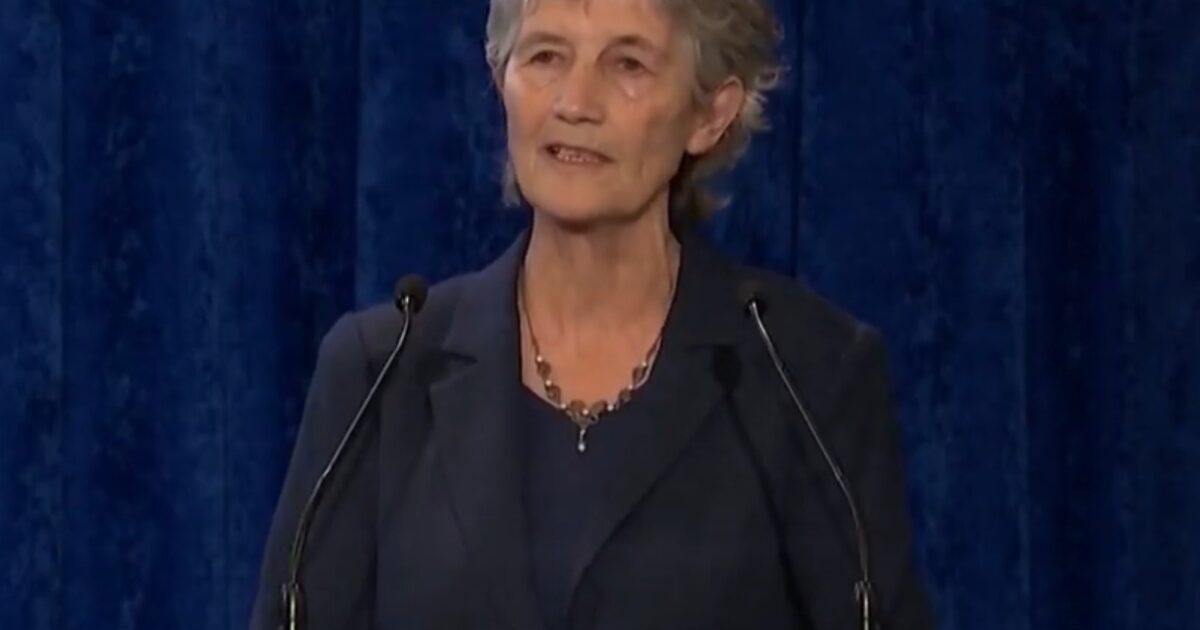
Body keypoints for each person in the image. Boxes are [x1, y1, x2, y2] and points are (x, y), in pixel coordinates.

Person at [250, 0, 934, 628]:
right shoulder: (380, 371)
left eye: (628, 64)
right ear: (501, 78)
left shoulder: (806, 373)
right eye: (546, 56)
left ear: (710, 113)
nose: (575, 102)